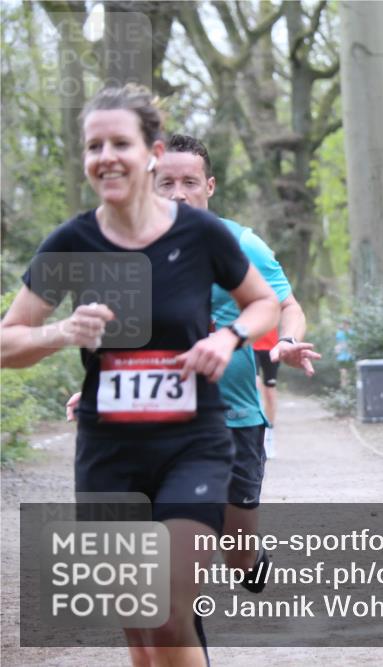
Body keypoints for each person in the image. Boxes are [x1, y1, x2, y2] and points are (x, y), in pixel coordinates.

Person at [0, 85, 279, 666]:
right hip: (110, 452)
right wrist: (60, 333)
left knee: (169, 610)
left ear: (150, 152)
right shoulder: (72, 243)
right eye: (93, 144)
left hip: (193, 445)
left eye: (119, 142)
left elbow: (264, 305)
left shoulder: (201, 235)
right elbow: (8, 341)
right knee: (136, 620)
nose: (106, 155)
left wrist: (227, 338)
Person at [151, 134, 320, 583]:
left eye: (189, 181)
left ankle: (251, 561)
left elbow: (289, 306)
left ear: (209, 186)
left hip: (236, 418)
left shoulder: (241, 244)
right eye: (166, 182)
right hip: (166, 416)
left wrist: (285, 342)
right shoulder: (135, 252)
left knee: (236, 555)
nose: (178, 193)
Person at [252, 327, 280, 456]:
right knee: (255, 384)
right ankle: (255, 430)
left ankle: (269, 435)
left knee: (269, 392)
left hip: (272, 348)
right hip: (251, 345)